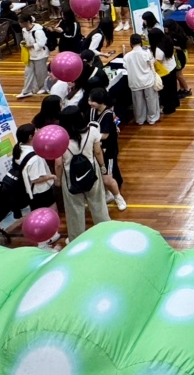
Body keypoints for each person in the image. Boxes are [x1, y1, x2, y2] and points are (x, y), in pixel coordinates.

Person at [54, 105, 111, 240]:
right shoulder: (92, 131)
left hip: (70, 176)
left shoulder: (59, 139)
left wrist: (58, 180)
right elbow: (98, 152)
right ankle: (107, 233)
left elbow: (58, 163)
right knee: (98, 204)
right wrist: (103, 168)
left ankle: (76, 239)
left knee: (74, 209)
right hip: (91, 172)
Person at [87, 87, 127, 210]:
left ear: (101, 101)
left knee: (107, 179)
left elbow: (105, 135)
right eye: (89, 100)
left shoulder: (108, 114)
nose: (90, 102)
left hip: (107, 151)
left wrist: (91, 137)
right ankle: (107, 194)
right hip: (96, 149)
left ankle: (118, 197)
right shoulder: (92, 111)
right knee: (100, 176)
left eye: (92, 101)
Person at [123, 33, 161, 125]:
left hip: (135, 82)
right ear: (141, 42)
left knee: (138, 103)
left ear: (131, 43)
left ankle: (140, 119)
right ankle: (152, 118)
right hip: (148, 80)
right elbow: (152, 63)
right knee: (151, 100)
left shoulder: (127, 56)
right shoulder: (146, 53)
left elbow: (125, 67)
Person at [18, 13, 49, 98]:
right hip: (30, 55)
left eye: (21, 22)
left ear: (27, 22)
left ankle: (43, 87)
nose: (20, 24)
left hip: (41, 55)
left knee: (41, 73)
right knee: (28, 72)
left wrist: (30, 46)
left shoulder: (38, 31)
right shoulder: (24, 30)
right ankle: (27, 91)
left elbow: (41, 43)